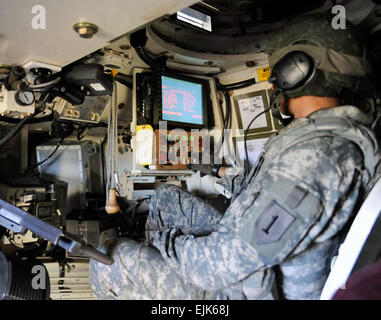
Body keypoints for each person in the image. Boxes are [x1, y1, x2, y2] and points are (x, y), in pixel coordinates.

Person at [89, 13, 380, 300]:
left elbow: (217, 267)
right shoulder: (321, 139)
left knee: (110, 257)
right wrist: (211, 167)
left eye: (276, 72)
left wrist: (162, 244)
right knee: (167, 196)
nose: (272, 84)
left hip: (242, 290)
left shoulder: (317, 157)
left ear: (297, 70)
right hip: (252, 263)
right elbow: (259, 193)